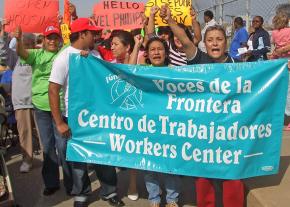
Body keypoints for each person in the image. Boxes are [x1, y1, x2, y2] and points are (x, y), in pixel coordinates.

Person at [159, 5, 244, 207]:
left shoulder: (238, 65)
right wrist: (170, 21)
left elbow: (263, 77)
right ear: (204, 43)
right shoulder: (199, 60)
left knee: (233, 178)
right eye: (210, 40)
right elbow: (186, 40)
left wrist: (282, 67)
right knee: (203, 180)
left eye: (219, 39)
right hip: (203, 134)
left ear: (226, 42)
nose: (215, 43)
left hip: (230, 134)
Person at [49, 18, 124, 207]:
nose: (96, 36)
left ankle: (109, 191)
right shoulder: (64, 57)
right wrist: (59, 122)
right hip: (74, 119)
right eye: (92, 33)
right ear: (82, 34)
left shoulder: (95, 54)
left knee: (103, 156)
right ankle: (81, 193)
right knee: (78, 158)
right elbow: (53, 90)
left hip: (97, 117)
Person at [129, 34, 181, 207]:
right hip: (148, 127)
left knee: (170, 166)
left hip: (170, 127)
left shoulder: (175, 71)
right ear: (147, 55)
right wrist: (136, 45)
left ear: (166, 53)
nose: (156, 52)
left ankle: (172, 199)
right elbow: (127, 71)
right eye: (152, 50)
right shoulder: (143, 72)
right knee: (149, 166)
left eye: (160, 49)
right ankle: (154, 198)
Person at [15, 24, 65, 196]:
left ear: (59, 40)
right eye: (49, 37)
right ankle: (51, 183)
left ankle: (71, 181)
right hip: (41, 108)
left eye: (55, 37)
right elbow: (22, 53)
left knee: (63, 145)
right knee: (48, 147)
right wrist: (18, 39)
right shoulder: (36, 54)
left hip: (60, 108)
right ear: (43, 40)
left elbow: (77, 48)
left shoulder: (63, 54)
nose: (52, 41)